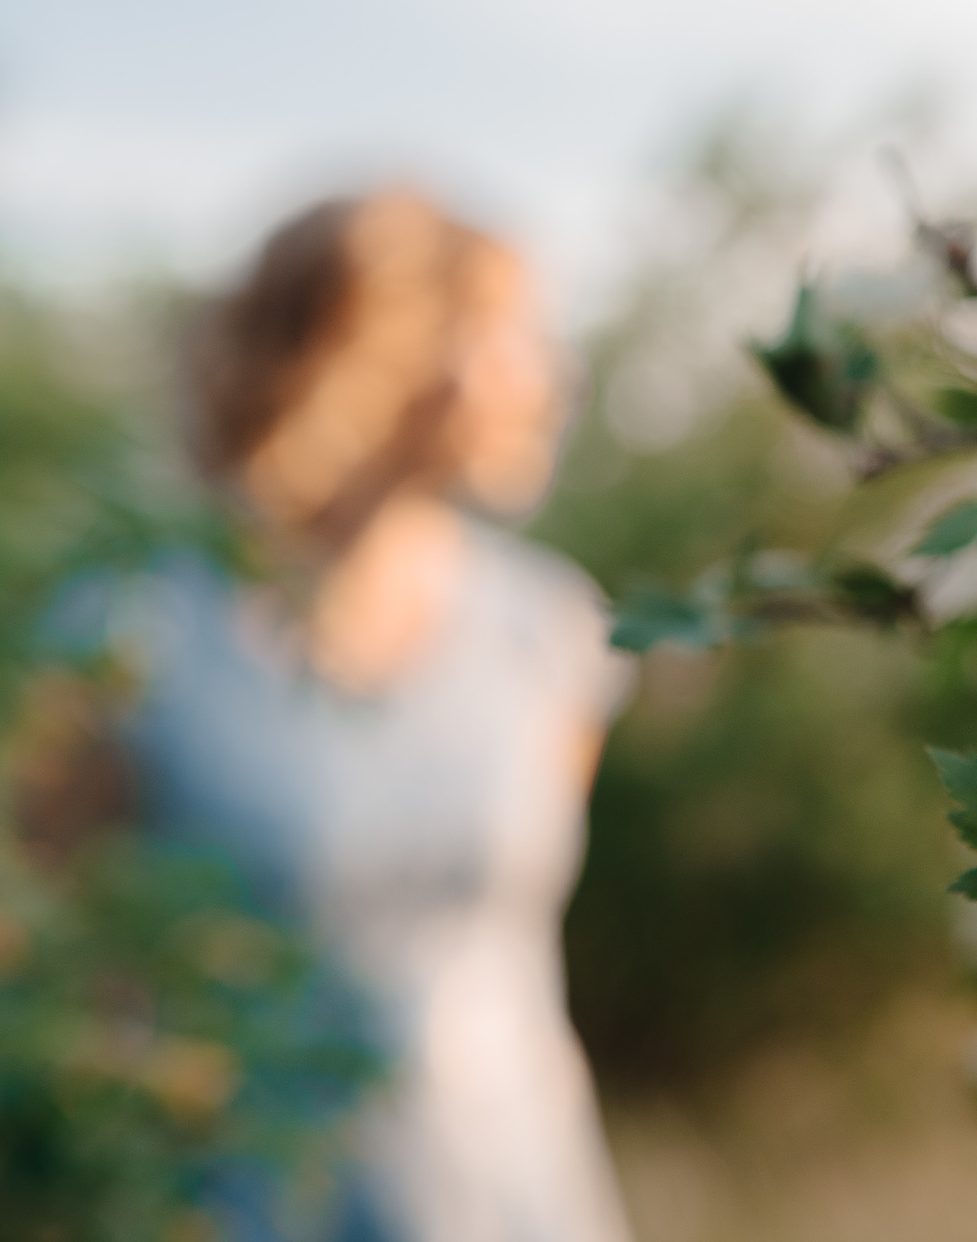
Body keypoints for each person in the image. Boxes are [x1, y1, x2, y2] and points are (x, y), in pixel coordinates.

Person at [124, 189, 635, 1241]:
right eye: (508, 336)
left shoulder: (551, 634)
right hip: (239, 1202)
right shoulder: (136, 637)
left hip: (515, 1196)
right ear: (389, 351)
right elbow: (66, 965)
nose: (547, 377)